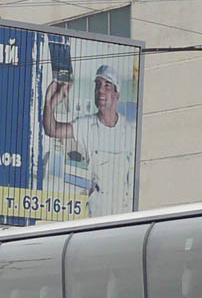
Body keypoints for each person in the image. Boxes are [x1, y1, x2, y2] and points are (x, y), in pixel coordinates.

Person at [43, 64, 134, 217]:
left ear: (117, 94)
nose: (100, 91)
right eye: (98, 85)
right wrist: (49, 104)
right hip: (96, 216)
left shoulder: (129, 129)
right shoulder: (86, 125)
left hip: (123, 216)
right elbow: (52, 130)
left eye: (107, 85)